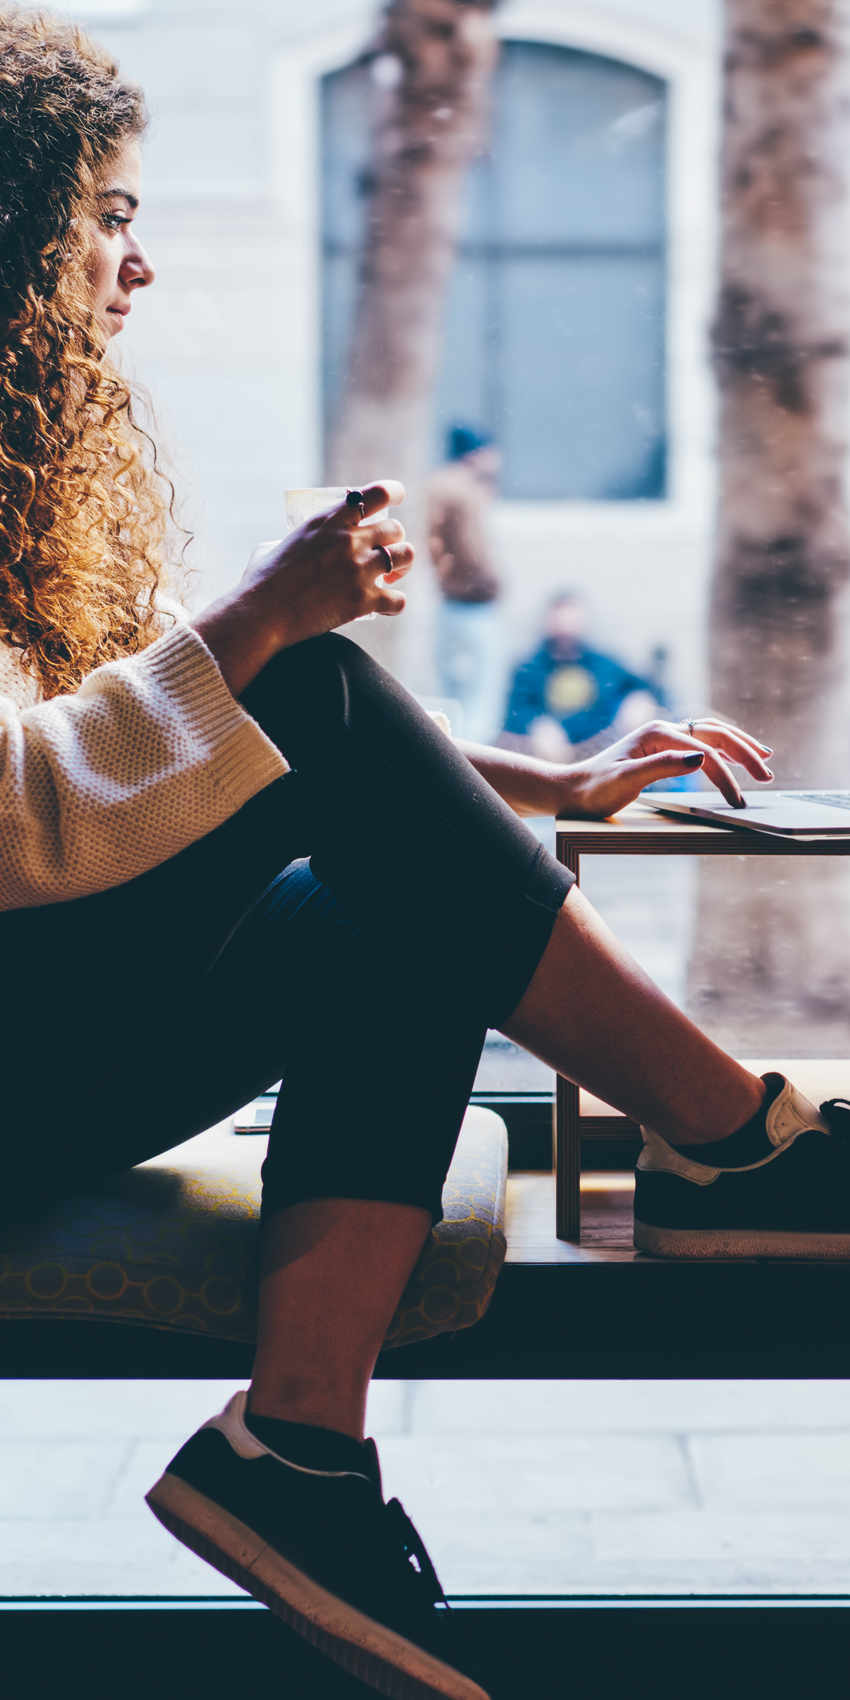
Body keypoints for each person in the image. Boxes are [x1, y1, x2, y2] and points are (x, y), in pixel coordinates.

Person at [2, 14, 848, 1700]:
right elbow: (33, 813)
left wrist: (543, 778)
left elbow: (178, 736)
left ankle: (296, 1451)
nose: (140, 261)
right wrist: (267, 618)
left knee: (386, 912)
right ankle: (739, 1142)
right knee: (306, 674)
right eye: (104, 215)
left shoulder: (34, 469)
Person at [500, 591, 660, 762]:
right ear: (548, 624)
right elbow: (515, 713)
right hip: (547, 762)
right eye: (560, 623)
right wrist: (536, 726)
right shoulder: (529, 669)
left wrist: (637, 700)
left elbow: (641, 686)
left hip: (602, 754)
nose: (566, 631)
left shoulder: (603, 664)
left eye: (572, 622)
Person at [427, 426, 503, 743]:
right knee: (479, 699)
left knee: (453, 694)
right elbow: (472, 552)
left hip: (450, 601)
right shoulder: (462, 490)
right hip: (472, 603)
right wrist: (488, 583)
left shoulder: (439, 486)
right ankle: (475, 769)